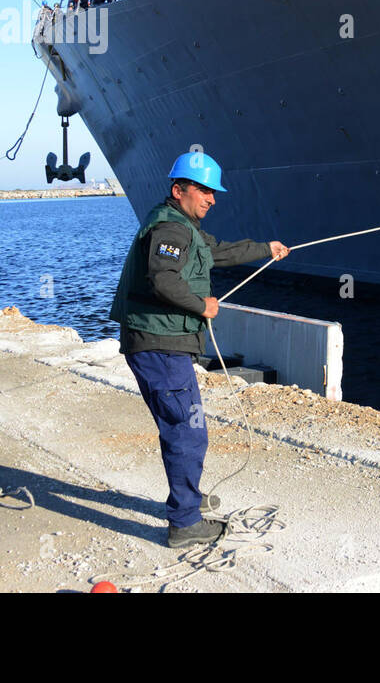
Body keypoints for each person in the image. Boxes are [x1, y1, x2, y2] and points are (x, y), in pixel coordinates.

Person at [109, 153, 289, 548]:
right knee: (188, 431)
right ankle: (185, 523)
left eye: (213, 191)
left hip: (159, 341)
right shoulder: (171, 231)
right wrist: (201, 305)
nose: (211, 198)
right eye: (204, 190)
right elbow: (163, 281)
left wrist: (265, 248)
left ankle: (186, 499)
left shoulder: (183, 226)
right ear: (180, 190)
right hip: (160, 344)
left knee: (180, 427)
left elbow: (219, 252)